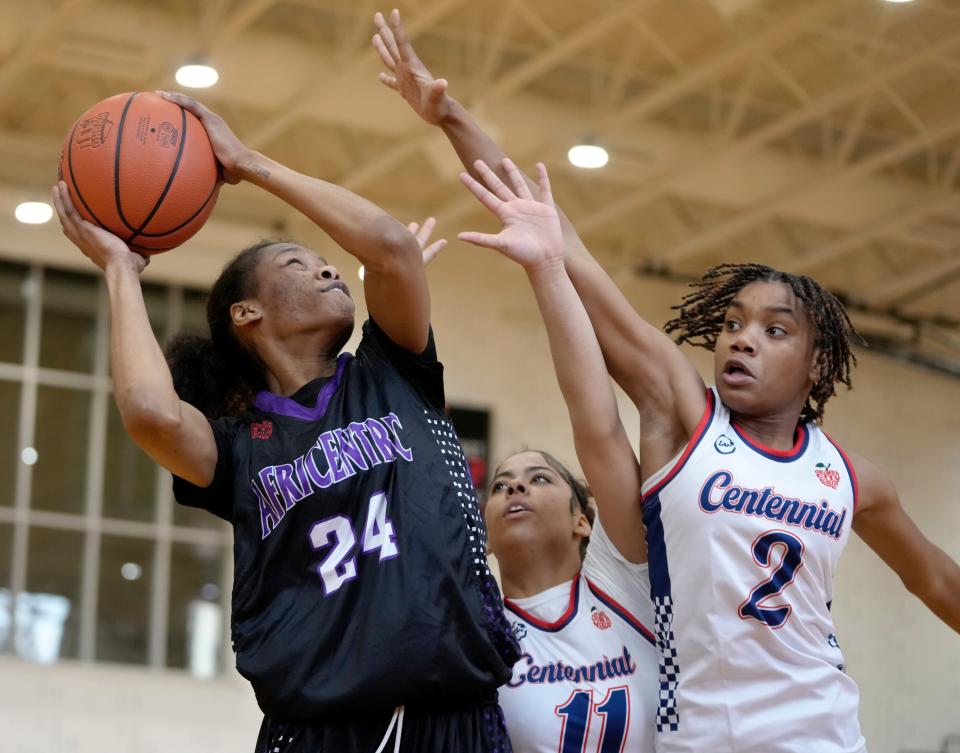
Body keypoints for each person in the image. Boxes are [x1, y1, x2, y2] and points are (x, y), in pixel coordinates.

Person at [372, 10, 960, 752]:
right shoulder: (683, 411)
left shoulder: (850, 476)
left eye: (774, 330)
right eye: (734, 323)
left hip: (821, 734)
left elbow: (936, 580)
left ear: (815, 365)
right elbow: (560, 237)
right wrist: (453, 116)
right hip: (699, 739)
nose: (743, 337)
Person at [52, 90, 519, 753]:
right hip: (316, 732)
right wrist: (122, 271)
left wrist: (246, 160)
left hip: (452, 715)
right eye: (296, 264)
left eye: (322, 260)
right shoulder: (238, 450)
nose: (328, 266)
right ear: (247, 314)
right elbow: (151, 414)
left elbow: (390, 248)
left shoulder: (391, 373)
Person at [462, 159, 657, 752]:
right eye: (499, 486)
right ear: (486, 536)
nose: (513, 489)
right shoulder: (473, 632)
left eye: (538, 478)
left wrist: (548, 268)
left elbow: (597, 424)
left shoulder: (622, 578)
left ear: (584, 521)